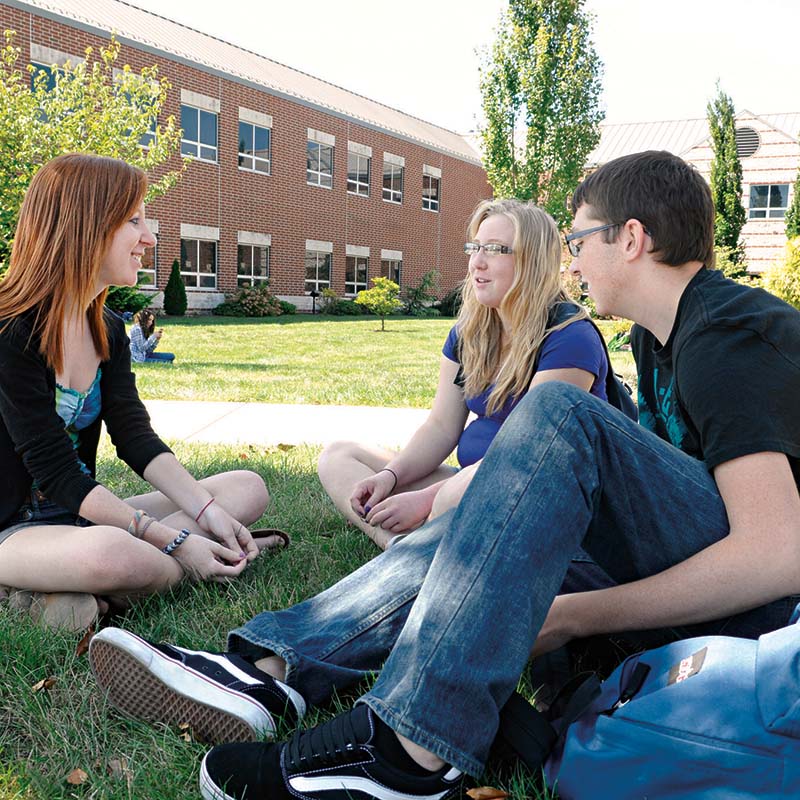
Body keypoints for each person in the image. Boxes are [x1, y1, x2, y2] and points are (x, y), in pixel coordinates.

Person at [90, 150, 800, 800]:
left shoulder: (727, 335)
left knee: (560, 413)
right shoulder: (658, 339)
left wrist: (577, 614)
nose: (574, 263)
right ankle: (267, 673)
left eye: (579, 242)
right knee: (487, 513)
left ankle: (409, 754)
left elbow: (776, 556)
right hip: (705, 565)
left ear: (632, 238)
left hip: (766, 610)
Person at [0, 153, 283, 632]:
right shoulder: (10, 331)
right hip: (13, 529)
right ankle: (172, 568)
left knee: (244, 488)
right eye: (134, 220)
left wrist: (206, 514)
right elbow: (55, 470)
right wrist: (175, 542)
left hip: (79, 517)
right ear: (84, 225)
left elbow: (135, 438)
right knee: (115, 553)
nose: (149, 238)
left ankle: (75, 593)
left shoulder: (108, 330)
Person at [318, 199, 609, 549]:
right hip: (466, 483)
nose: (477, 262)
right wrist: (389, 477)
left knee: (446, 501)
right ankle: (397, 547)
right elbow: (441, 427)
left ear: (533, 261)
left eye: (496, 250)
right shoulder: (470, 332)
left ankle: (422, 548)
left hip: (537, 494)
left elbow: (530, 455)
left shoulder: (569, 337)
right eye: (476, 247)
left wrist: (427, 499)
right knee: (340, 454)